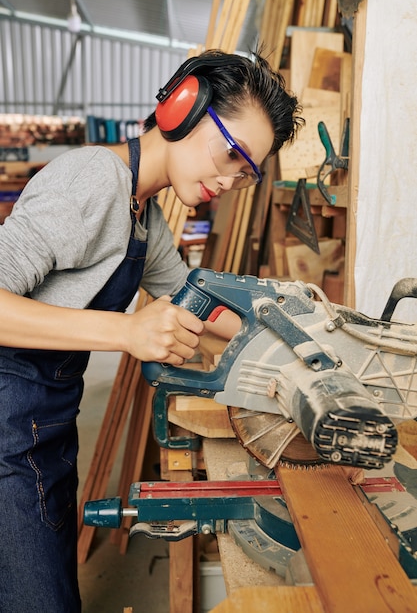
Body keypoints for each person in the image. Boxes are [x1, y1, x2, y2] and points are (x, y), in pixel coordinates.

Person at [0, 48, 303, 612]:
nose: (231, 177)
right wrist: (127, 333)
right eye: (231, 153)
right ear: (182, 108)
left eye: (246, 172)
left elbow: (202, 307)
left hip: (43, 428)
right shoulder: (93, 180)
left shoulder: (146, 218)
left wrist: (293, 343)